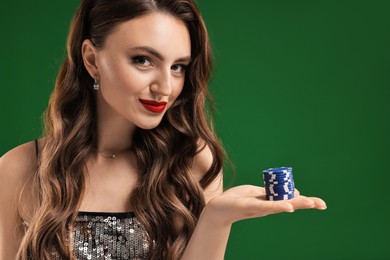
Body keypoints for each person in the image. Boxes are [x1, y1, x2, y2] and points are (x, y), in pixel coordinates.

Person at [0, 0, 327, 259]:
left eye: (178, 67)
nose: (165, 87)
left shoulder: (192, 160)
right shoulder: (18, 169)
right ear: (91, 59)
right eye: (143, 60)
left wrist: (217, 218)